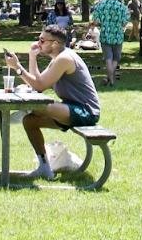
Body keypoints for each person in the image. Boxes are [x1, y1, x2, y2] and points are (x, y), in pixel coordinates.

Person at [5, 24, 100, 179]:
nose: (38, 43)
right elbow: (37, 83)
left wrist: (17, 67)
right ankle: (44, 167)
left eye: (42, 40)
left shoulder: (64, 59)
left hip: (85, 111)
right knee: (30, 121)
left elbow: (39, 85)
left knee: (38, 106)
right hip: (69, 108)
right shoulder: (57, 58)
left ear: (55, 43)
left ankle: (22, 110)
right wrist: (32, 57)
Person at [90, 0, 129, 84]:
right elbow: (125, 22)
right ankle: (110, 78)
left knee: (108, 58)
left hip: (105, 34)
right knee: (116, 58)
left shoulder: (100, 5)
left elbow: (96, 21)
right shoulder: (121, 6)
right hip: (118, 35)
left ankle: (110, 79)